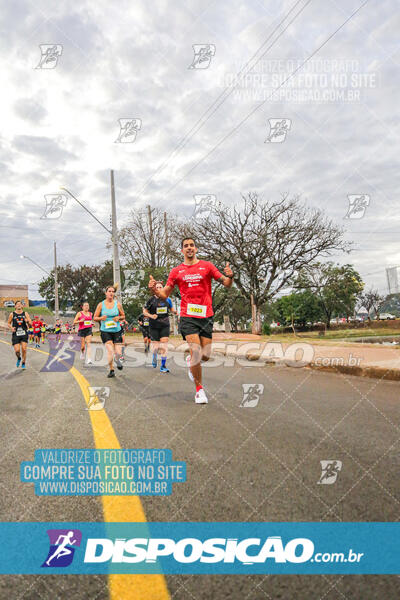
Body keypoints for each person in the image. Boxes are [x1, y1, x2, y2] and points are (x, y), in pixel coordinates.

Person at [149, 237, 233, 403]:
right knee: (195, 351)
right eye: (186, 246)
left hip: (206, 315)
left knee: (206, 355)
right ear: (182, 250)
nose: (189, 248)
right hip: (188, 316)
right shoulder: (176, 271)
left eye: (192, 245)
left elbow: (226, 283)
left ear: (196, 249)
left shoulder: (207, 266)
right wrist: (155, 290)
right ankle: (199, 390)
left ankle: (190, 362)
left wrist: (231, 276)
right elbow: (165, 293)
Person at [143, 282, 176, 372]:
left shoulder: (167, 299)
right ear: (154, 290)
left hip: (165, 325)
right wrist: (151, 316)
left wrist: (176, 312)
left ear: (163, 288)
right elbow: (144, 312)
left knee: (164, 345)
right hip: (154, 325)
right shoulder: (151, 300)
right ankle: (154, 356)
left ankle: (163, 366)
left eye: (160, 287)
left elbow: (171, 309)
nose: (158, 288)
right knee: (156, 347)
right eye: (157, 287)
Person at [93, 284, 125, 378]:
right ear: (106, 293)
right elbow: (94, 317)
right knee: (110, 350)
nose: (111, 293)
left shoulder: (118, 304)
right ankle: (111, 370)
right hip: (105, 331)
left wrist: (118, 317)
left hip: (117, 330)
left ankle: (117, 359)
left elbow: (123, 316)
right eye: (109, 291)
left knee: (118, 352)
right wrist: (101, 318)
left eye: (112, 291)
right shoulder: (101, 304)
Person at [7, 300, 32, 369]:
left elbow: (31, 323)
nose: (18, 305)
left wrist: (27, 321)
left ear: (22, 306)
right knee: (17, 350)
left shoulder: (25, 313)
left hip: (24, 333)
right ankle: (19, 358)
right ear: (15, 306)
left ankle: (23, 363)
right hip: (16, 334)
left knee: (24, 349)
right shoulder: (12, 314)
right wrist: (11, 328)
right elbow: (8, 323)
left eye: (20, 304)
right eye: (17, 304)